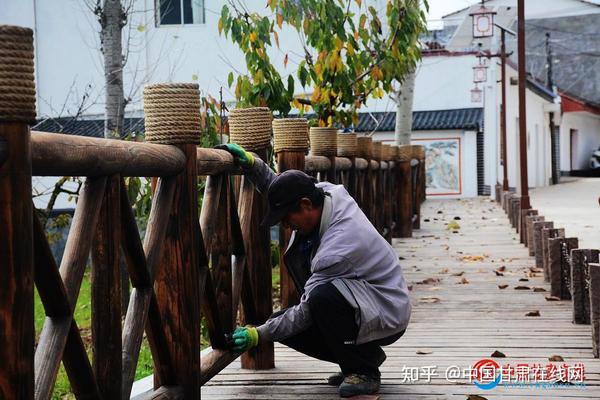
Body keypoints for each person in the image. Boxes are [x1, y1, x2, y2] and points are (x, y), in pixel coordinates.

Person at [220, 143, 412, 397]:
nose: (287, 226)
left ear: (306, 205)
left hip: (388, 310)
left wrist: (259, 335)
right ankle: (364, 356)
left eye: (287, 218)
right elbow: (284, 187)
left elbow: (307, 311)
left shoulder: (338, 246)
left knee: (318, 303)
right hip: (365, 298)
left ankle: (363, 370)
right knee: (281, 322)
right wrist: (253, 165)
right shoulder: (326, 193)